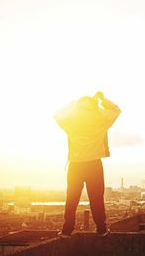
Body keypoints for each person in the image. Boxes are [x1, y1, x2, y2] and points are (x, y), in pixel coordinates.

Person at [54, 91, 121, 238]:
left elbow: (57, 115)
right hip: (94, 164)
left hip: (75, 165)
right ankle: (101, 229)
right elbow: (116, 110)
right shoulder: (100, 118)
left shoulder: (72, 121)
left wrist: (73, 104)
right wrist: (103, 99)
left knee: (72, 198)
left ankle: (67, 230)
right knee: (96, 197)